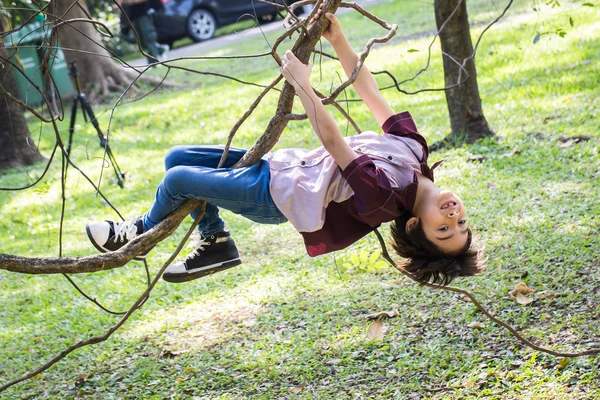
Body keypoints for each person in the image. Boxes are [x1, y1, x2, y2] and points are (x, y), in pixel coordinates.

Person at [86, 9, 484, 284]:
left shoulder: (386, 198)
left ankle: (137, 235)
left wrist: (302, 84)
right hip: (281, 167)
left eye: (444, 229)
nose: (454, 217)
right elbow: (371, 94)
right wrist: (340, 40)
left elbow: (333, 141)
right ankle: (216, 242)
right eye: (461, 224)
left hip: (276, 196)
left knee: (177, 180)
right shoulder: (415, 153)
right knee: (178, 158)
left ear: (415, 225)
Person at [119, 0, 168, 64]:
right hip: (132, 16)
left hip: (143, 14)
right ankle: (161, 49)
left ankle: (152, 63)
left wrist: (134, 2)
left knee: (149, 38)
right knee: (140, 40)